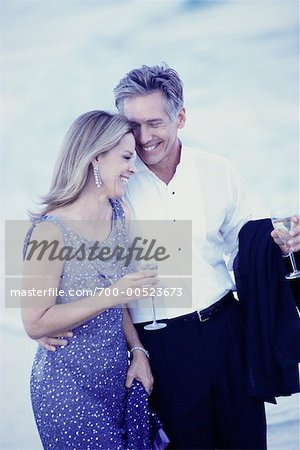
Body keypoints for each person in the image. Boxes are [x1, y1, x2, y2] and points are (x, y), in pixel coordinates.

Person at [40, 65, 300, 449]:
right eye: (133, 125)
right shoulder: (117, 182)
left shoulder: (218, 171)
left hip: (226, 330)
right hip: (159, 347)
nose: (144, 138)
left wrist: (281, 242)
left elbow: (245, 245)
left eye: (155, 123)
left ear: (181, 117)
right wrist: (45, 318)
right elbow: (73, 251)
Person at [21, 110, 168, 449]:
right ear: (95, 158)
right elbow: (34, 323)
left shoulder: (119, 214)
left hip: (117, 381)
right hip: (68, 388)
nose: (134, 167)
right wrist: (112, 293)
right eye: (126, 157)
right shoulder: (50, 231)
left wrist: (139, 352)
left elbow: (121, 301)